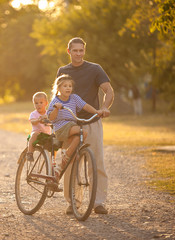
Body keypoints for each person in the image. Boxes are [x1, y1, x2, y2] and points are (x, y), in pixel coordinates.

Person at [56, 37, 114, 215]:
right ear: (69, 51)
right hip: (70, 122)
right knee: (71, 162)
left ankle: (98, 202)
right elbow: (57, 94)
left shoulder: (95, 69)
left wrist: (104, 107)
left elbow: (108, 90)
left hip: (91, 120)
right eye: (75, 51)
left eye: (81, 50)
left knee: (96, 162)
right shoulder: (63, 70)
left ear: (84, 51)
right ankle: (73, 201)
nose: (78, 54)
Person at [47, 74, 101, 181]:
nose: (68, 88)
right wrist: (56, 109)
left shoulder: (74, 98)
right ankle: (65, 157)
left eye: (70, 86)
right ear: (58, 88)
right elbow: (51, 118)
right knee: (83, 132)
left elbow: (85, 106)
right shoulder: (55, 101)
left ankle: (59, 168)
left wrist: (96, 112)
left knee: (77, 138)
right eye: (65, 86)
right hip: (61, 128)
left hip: (71, 126)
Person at [26, 92, 52, 161]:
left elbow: (52, 121)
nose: (38, 105)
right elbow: (33, 121)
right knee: (34, 134)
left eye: (41, 102)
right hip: (37, 133)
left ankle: (52, 160)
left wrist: (48, 120)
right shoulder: (33, 114)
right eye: (36, 103)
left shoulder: (48, 114)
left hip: (46, 135)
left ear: (46, 103)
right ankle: (30, 153)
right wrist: (38, 120)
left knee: (54, 141)